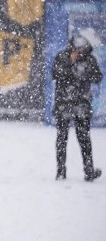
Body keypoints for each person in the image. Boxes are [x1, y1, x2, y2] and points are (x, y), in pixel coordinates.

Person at [51, 35, 102, 181]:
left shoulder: (89, 59)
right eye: (78, 51)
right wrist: (70, 64)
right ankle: (61, 171)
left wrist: (84, 72)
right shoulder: (62, 57)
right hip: (64, 104)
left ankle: (89, 171)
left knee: (84, 138)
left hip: (82, 104)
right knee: (62, 138)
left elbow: (97, 77)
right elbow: (55, 74)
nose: (81, 54)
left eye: (83, 51)